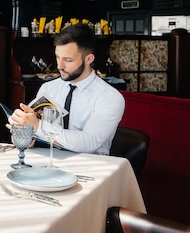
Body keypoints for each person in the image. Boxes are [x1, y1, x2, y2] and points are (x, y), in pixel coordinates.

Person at [8, 24, 124, 155]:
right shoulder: (48, 88)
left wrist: (39, 126)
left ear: (89, 59)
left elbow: (89, 142)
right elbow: (29, 131)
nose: (59, 66)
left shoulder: (110, 97)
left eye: (68, 60)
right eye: (58, 57)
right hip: (46, 163)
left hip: (89, 167)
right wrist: (22, 133)